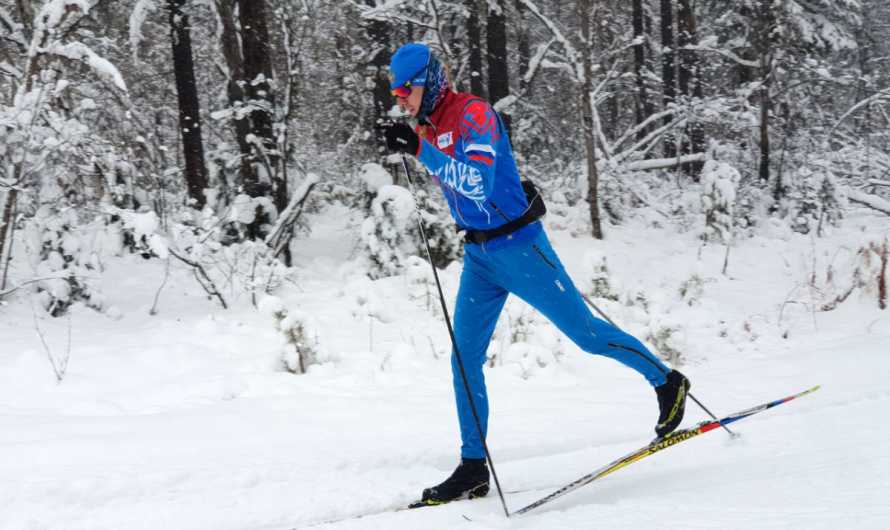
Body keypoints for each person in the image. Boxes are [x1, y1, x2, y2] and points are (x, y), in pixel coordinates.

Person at [378, 43, 691, 506]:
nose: (400, 97)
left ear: (432, 81)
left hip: (520, 248)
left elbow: (480, 185)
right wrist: (420, 142)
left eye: (406, 88)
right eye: (395, 90)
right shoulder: (428, 124)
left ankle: (667, 382)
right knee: (464, 359)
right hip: (480, 257)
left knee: (585, 334)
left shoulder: (473, 115)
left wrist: (421, 150)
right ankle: (472, 468)